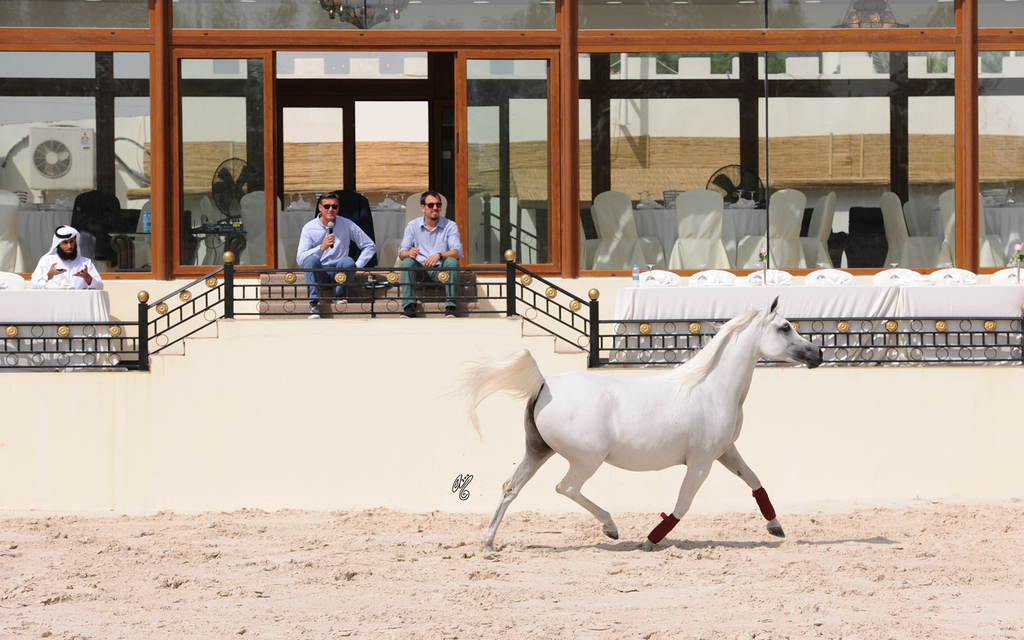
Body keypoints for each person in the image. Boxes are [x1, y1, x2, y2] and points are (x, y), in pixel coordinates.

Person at [297, 192, 376, 319]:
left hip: (340, 273)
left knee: (348, 261)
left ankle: (339, 295)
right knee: (311, 260)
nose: (330, 210)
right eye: (327, 206)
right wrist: (320, 248)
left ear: (338, 208)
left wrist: (357, 266)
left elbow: (370, 246)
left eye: (334, 206)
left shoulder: (347, 224)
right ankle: (313, 304)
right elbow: (300, 260)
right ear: (320, 207)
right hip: (320, 273)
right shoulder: (309, 228)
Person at [398, 191, 463, 318]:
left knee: (452, 262)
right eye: (431, 205)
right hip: (420, 272)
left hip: (441, 271)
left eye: (438, 205)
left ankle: (451, 307)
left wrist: (439, 255)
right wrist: (409, 253)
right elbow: (402, 253)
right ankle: (409, 307)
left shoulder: (450, 225)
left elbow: (456, 252)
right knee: (407, 262)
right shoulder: (412, 225)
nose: (435, 208)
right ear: (423, 207)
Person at [30, 225, 104, 290]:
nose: (69, 246)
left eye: (72, 242)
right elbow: (33, 285)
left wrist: (87, 277)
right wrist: (49, 275)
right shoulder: (47, 260)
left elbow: (100, 286)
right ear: (58, 244)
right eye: (65, 242)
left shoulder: (85, 262)